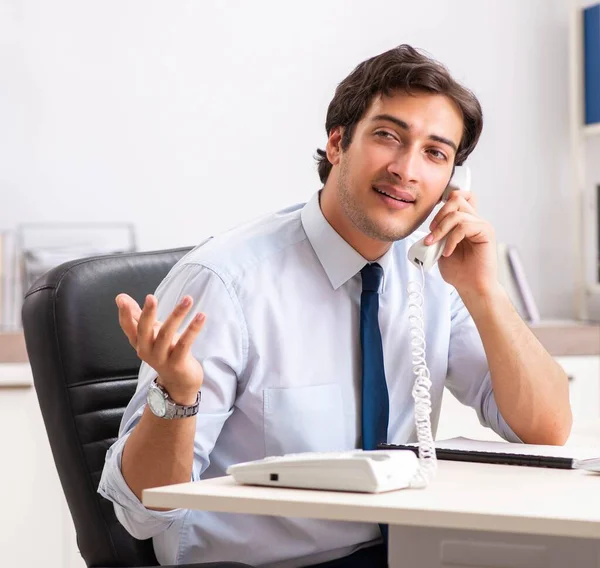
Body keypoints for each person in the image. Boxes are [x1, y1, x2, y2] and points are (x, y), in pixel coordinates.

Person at [98, 44, 572, 568]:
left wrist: (485, 292)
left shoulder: (429, 275)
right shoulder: (225, 281)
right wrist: (178, 396)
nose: (407, 170)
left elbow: (545, 431)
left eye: (435, 153)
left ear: (450, 186)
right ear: (338, 143)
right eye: (388, 136)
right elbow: (142, 515)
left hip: (409, 552)